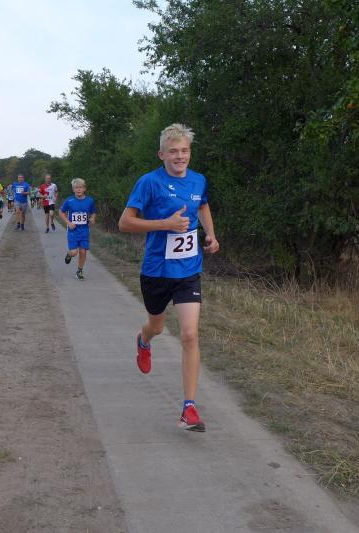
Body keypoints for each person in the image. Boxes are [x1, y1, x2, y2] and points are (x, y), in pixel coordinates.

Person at [118, 123, 219, 432]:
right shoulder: (149, 182)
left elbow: (202, 206)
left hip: (188, 270)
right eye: (173, 151)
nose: (180, 156)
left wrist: (211, 235)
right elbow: (125, 223)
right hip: (156, 271)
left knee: (189, 334)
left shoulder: (198, 180)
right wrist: (165, 224)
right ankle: (143, 340)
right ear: (162, 154)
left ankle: (189, 408)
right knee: (157, 326)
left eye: (184, 151)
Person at [59, 178, 96, 280]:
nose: (78, 189)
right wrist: (68, 222)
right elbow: (61, 212)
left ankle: (79, 271)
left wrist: (93, 218)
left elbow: (93, 212)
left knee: (83, 252)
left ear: (84, 189)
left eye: (80, 187)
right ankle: (69, 254)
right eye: (76, 188)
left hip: (84, 230)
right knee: (74, 252)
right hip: (73, 231)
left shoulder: (89, 201)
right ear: (73, 189)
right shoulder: (69, 200)